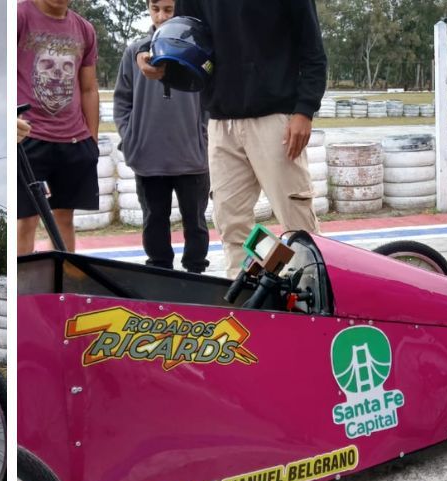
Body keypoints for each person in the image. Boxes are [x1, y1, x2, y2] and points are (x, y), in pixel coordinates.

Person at [136, 0, 327, 276]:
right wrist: (147, 51)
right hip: (221, 120)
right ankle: (250, 292)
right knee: (231, 224)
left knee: (297, 224)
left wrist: (305, 110)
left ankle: (314, 296)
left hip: (276, 119)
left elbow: (313, 50)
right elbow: (180, 31)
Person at [114, 0, 210, 273]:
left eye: (169, 10)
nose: (161, 16)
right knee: (154, 219)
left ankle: (196, 271)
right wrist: (130, 137)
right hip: (148, 155)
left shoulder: (200, 49)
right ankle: (159, 271)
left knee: (196, 220)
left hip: (191, 155)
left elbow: (210, 99)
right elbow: (122, 102)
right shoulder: (136, 52)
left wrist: (202, 138)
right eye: (156, 8)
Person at [16, 0, 100, 255]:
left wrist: (92, 142)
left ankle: (63, 287)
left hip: (72, 139)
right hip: (29, 137)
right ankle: (24, 291)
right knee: (26, 221)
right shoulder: (19, 15)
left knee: (64, 218)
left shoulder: (84, 30)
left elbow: (88, 88)